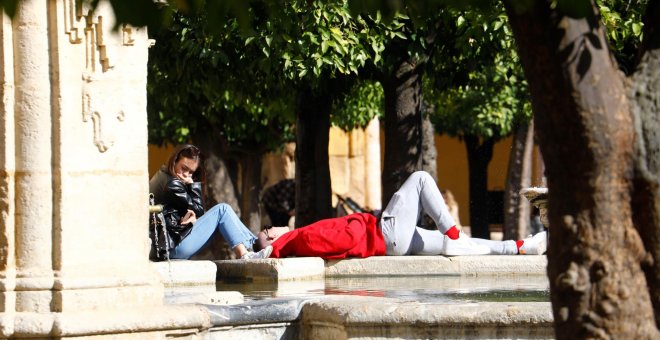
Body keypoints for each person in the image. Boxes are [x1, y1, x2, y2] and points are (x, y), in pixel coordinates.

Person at [254, 171, 546, 259]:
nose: (272, 227)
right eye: (267, 232)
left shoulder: (293, 240)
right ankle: (454, 234)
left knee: (456, 246)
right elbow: (339, 240)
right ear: (270, 242)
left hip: (390, 241)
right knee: (420, 178)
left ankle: (520, 247)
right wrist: (362, 223)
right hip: (383, 233)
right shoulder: (295, 239)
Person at [149, 144, 272, 260]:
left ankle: (251, 248)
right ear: (174, 161)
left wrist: (193, 218)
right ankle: (247, 253)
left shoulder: (162, 175)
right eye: (184, 168)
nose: (186, 175)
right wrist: (193, 185)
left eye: (191, 172)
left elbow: (191, 212)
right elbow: (198, 210)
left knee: (222, 217)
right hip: (173, 247)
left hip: (168, 245)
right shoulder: (172, 183)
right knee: (222, 210)